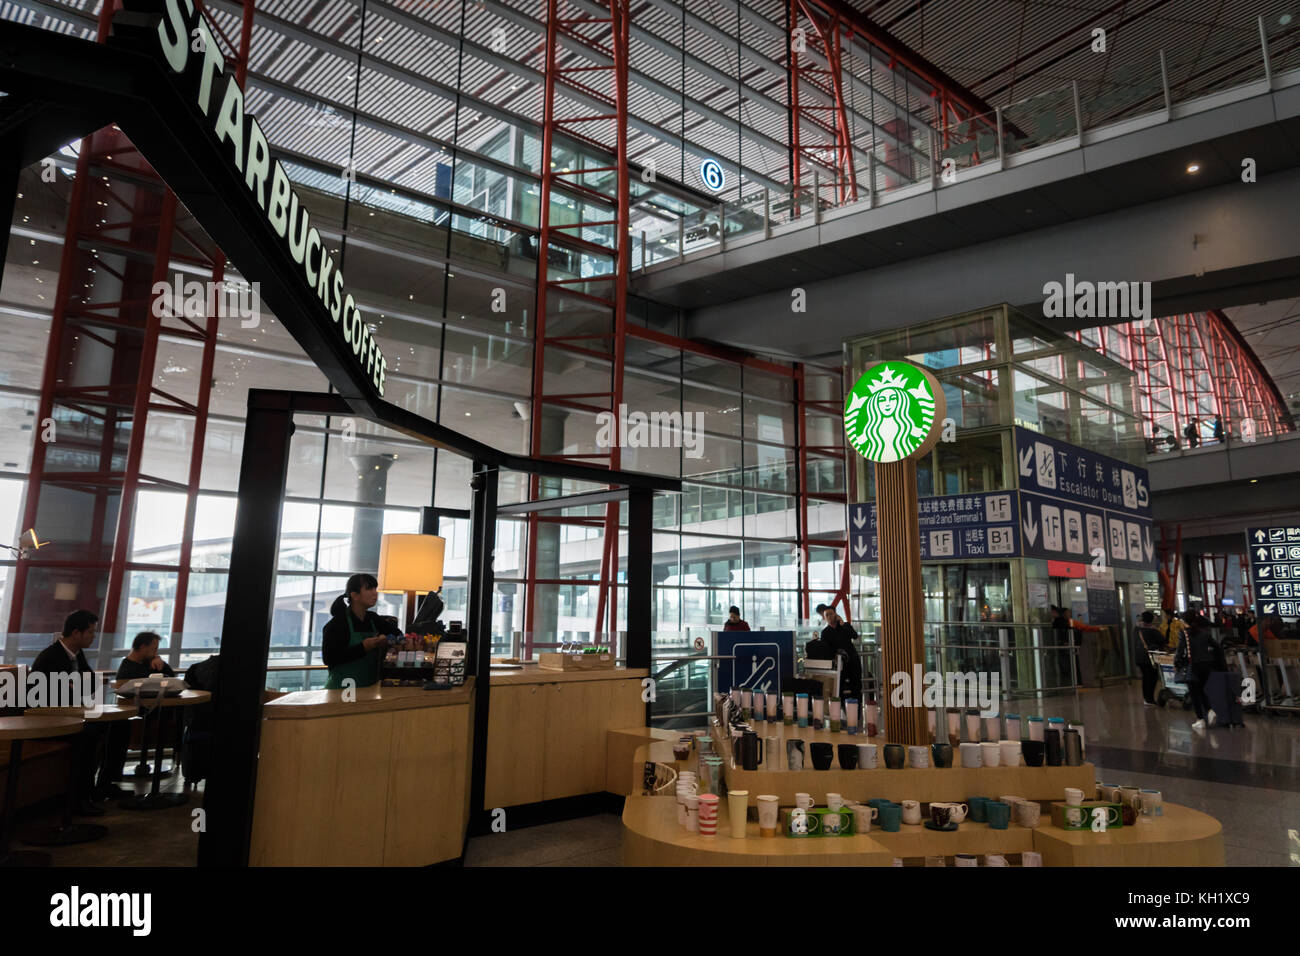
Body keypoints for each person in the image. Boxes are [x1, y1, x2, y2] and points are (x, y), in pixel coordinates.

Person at [31, 610, 130, 810]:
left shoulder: (77, 654)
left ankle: (104, 784)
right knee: (89, 735)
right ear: (76, 633)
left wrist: (76, 686)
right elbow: (49, 696)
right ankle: (79, 797)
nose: (94, 637)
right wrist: (77, 687)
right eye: (91, 632)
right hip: (49, 719)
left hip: (72, 714)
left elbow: (90, 681)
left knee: (120, 725)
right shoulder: (50, 657)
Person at [322, 573, 403, 690]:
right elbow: (329, 658)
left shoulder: (373, 618)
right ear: (354, 595)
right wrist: (363, 648)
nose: (375, 593)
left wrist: (386, 639)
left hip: (369, 688)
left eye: (375, 588)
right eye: (369, 588)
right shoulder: (338, 623)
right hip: (341, 690)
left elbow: (398, 634)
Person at [810, 604, 862, 700]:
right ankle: (841, 711)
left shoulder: (845, 626)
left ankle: (857, 713)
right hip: (839, 664)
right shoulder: (825, 632)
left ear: (836, 615)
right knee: (839, 689)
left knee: (856, 688)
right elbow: (827, 649)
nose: (829, 617)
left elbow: (854, 636)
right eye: (827, 615)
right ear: (824, 618)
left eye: (831, 614)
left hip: (853, 661)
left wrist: (842, 623)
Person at [1185, 612, 1227, 732]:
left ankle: (1200, 719)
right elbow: (1217, 647)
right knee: (1202, 690)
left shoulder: (1185, 634)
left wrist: (1177, 663)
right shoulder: (1205, 634)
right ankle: (1210, 710)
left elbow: (1181, 651)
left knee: (1194, 693)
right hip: (1206, 666)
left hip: (1192, 666)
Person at [1134, 611, 1165, 705]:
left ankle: (1146, 698)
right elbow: (1162, 641)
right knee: (1152, 677)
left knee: (1145, 677)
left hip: (1139, 657)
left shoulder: (1136, 629)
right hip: (1150, 657)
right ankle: (1150, 698)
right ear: (1152, 620)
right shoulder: (1153, 630)